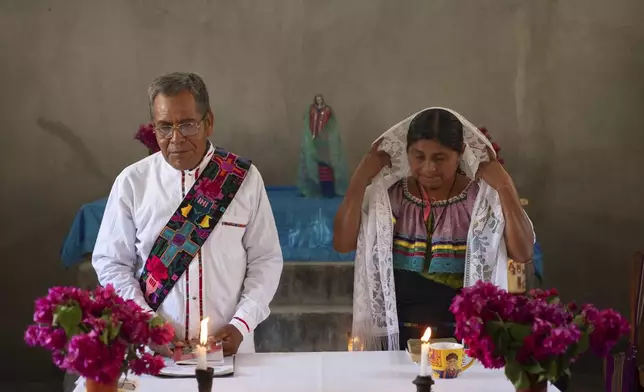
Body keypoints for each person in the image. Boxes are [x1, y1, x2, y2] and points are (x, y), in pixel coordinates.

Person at [93, 72, 283, 357]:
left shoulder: (242, 180)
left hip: (230, 352)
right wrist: (148, 324)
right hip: (156, 355)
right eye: (164, 127)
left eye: (187, 125)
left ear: (209, 123)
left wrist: (242, 324)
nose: (176, 138)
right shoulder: (132, 183)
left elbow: (266, 260)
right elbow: (111, 264)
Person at [333, 107, 534, 351]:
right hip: (398, 338)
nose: (429, 168)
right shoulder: (390, 197)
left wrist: (504, 186)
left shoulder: (478, 201)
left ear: (460, 153)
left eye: (440, 158)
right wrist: (360, 177)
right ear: (406, 153)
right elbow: (342, 244)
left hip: (459, 341)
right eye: (418, 157)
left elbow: (522, 252)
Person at [297, 94, 348, 197]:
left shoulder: (328, 110)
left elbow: (332, 124)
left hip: (325, 140)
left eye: (320, 99)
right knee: (312, 163)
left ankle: (329, 188)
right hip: (313, 139)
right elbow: (307, 120)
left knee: (326, 163)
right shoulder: (311, 110)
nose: (319, 101)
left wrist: (327, 136)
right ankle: (313, 187)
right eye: (317, 99)